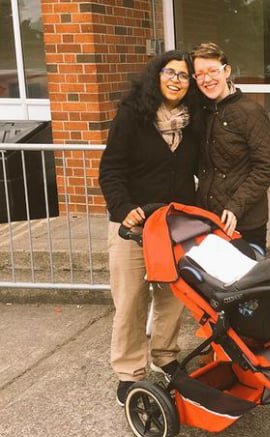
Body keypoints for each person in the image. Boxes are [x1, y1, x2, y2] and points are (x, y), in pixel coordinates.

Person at [98, 50, 200, 406]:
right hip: (134, 226)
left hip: (174, 225)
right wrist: (124, 209)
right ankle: (129, 372)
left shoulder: (192, 121)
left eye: (184, 75)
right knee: (130, 302)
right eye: (170, 72)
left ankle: (165, 356)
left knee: (174, 296)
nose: (176, 79)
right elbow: (110, 169)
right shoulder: (133, 115)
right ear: (156, 76)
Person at [190, 42, 270, 251]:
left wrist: (236, 206)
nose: (207, 79)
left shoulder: (251, 112)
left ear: (226, 71)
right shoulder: (201, 112)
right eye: (199, 74)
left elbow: (264, 168)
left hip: (244, 222)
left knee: (245, 281)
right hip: (207, 219)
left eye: (212, 71)